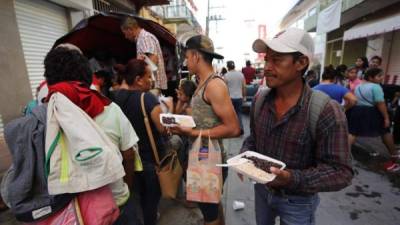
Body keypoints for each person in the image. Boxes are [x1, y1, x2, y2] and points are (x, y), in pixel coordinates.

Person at [242, 28, 353, 225]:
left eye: (276, 60)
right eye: (267, 59)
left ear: (301, 63)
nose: (267, 67)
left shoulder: (325, 110)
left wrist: (291, 178)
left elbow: (341, 172)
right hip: (262, 191)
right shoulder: (260, 101)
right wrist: (245, 156)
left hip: (298, 202)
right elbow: (254, 139)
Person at [43, 45, 142, 225]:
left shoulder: (46, 116)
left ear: (49, 79)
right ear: (87, 76)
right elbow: (129, 154)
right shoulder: (110, 109)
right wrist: (124, 187)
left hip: (71, 213)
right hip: (116, 203)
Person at [172, 34, 241, 225]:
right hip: (201, 155)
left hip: (209, 159)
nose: (186, 61)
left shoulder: (214, 85)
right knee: (211, 207)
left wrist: (193, 133)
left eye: (187, 56)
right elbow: (206, 118)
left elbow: (234, 128)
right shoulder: (201, 82)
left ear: (195, 56)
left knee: (209, 213)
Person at [112, 59, 167, 225]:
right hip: (149, 159)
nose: (152, 80)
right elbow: (161, 128)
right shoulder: (148, 98)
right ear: (138, 79)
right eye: (149, 76)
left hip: (126, 160)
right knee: (151, 198)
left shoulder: (115, 98)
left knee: (134, 196)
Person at [347, 68, 400, 172]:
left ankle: (343, 157)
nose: (381, 78)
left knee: (352, 132)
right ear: (371, 77)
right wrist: (386, 117)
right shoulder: (376, 87)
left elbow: (355, 99)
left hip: (357, 111)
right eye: (379, 76)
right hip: (372, 112)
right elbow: (380, 103)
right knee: (385, 132)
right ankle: (394, 156)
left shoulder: (358, 86)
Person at [120, 16, 167, 95]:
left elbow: (153, 59)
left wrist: (144, 80)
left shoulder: (145, 38)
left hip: (151, 85)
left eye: (125, 34)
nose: (126, 37)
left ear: (130, 29)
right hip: (150, 84)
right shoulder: (142, 38)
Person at [224, 60, 246, 134]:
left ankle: (232, 130)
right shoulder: (241, 74)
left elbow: (224, 88)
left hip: (230, 98)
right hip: (239, 97)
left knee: (231, 114)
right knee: (239, 113)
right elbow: (244, 87)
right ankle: (241, 128)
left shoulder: (226, 75)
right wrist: (244, 96)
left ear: (228, 67)